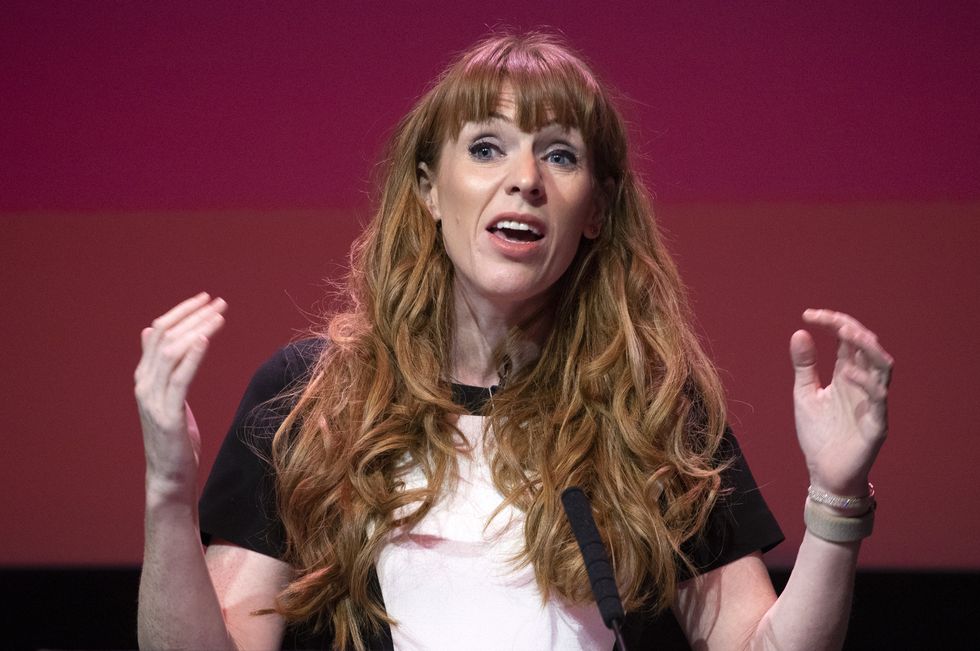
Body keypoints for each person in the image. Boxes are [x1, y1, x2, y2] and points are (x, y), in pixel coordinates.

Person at [134, 33, 893, 650]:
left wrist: (837, 498)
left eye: (559, 155)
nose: (525, 178)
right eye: (488, 148)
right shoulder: (310, 399)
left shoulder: (651, 407)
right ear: (429, 188)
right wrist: (168, 493)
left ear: (594, 209)